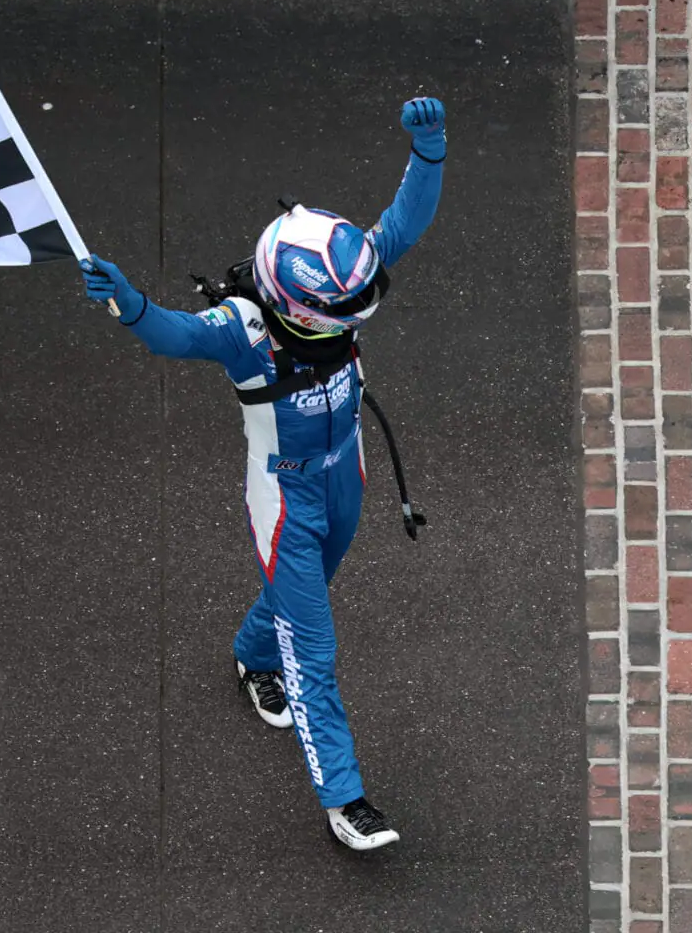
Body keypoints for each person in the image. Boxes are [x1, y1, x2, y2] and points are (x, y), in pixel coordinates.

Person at [79, 96, 446, 851]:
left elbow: (402, 225)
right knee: (314, 651)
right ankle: (345, 800)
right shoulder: (243, 333)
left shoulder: (342, 275)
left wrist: (430, 150)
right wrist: (126, 302)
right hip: (287, 498)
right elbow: (174, 335)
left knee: (297, 603)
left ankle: (249, 656)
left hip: (349, 475)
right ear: (300, 307)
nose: (359, 315)